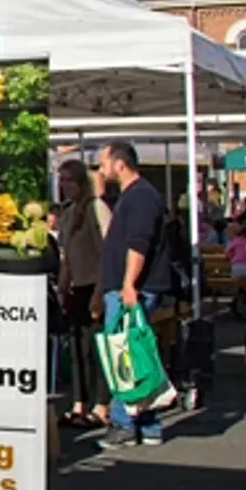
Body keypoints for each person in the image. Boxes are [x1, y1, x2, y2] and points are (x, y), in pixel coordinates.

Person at [94, 141, 175, 450]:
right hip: (125, 287)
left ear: (119, 164)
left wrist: (129, 284)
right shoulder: (132, 196)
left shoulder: (141, 197)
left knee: (124, 357)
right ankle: (148, 423)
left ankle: (123, 423)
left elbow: (138, 244)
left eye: (103, 162)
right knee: (137, 354)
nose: (100, 169)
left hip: (133, 288)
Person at [54, 159, 107, 428]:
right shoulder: (67, 212)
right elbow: (66, 257)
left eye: (68, 180)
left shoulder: (95, 208)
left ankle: (101, 405)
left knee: (96, 348)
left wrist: (100, 291)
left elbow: (107, 252)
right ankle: (78, 402)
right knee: (77, 348)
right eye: (61, 181)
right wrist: (63, 286)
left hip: (93, 285)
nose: (64, 186)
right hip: (75, 287)